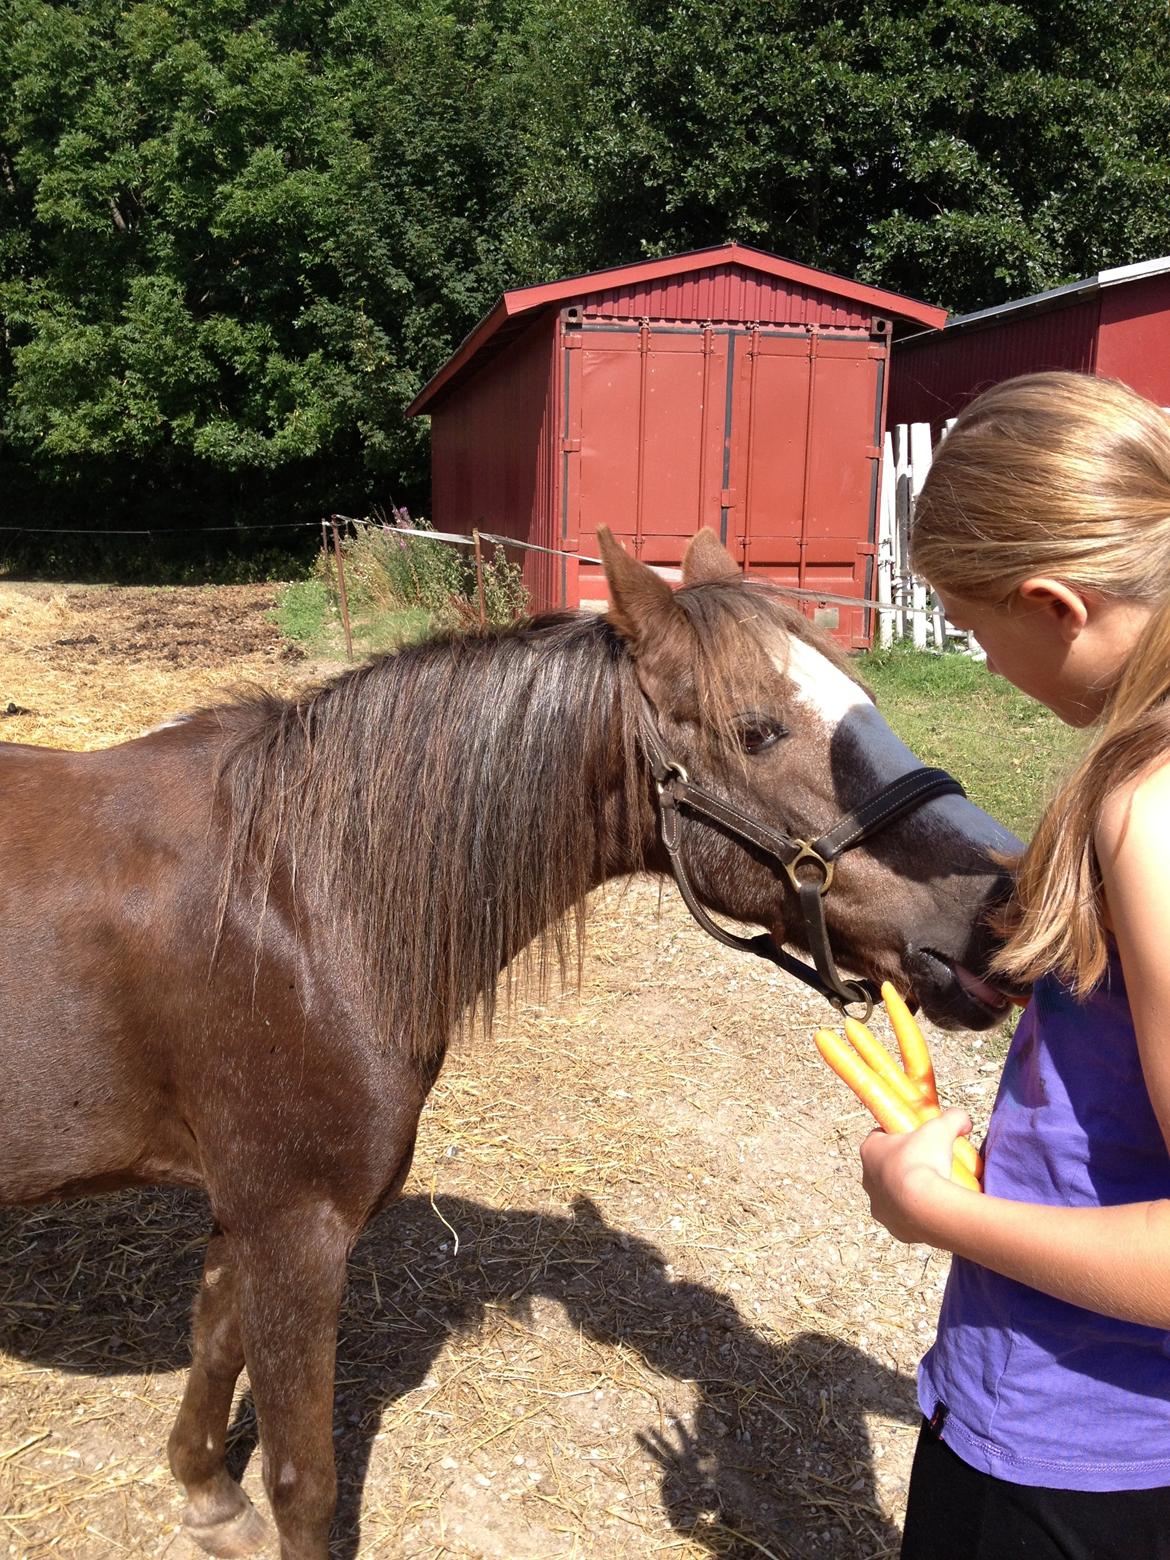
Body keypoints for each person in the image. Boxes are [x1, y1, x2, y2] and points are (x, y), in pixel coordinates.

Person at [859, 372, 1170, 1559]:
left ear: (1054, 603)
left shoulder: (1152, 809)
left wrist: (936, 1210)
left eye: (974, 629)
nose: (984, 665)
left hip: (1081, 1458)